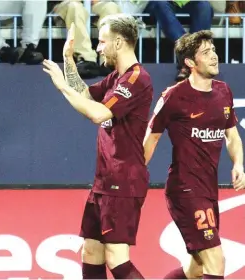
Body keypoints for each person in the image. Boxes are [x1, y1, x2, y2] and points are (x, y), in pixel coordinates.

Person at [42, 14, 153, 279]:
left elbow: (98, 114)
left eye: (102, 42)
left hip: (123, 179)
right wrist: (69, 61)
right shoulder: (117, 77)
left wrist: (60, 86)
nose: (98, 48)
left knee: (116, 257)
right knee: (91, 251)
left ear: (118, 42)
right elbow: (84, 96)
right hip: (105, 180)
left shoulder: (136, 79)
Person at [143, 30, 245, 280]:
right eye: (206, 52)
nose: (214, 56)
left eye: (213, 50)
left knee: (196, 267)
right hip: (185, 189)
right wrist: (131, 180)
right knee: (216, 261)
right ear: (190, 63)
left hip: (209, 190)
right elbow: (150, 140)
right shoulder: (173, 96)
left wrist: (239, 164)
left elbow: (232, 135)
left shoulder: (223, 92)